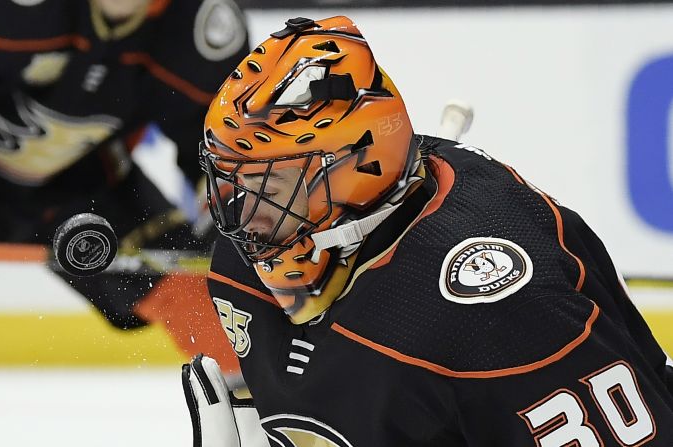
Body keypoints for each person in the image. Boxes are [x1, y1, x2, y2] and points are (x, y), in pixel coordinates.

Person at [182, 16, 673, 446]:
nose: (246, 215)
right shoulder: (243, 266)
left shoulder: (500, 316)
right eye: (235, 183)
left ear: (355, 171)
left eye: (273, 186)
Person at [0, 0, 247, 444]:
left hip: (83, 180)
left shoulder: (201, 29)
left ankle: (273, 422)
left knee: (208, 301)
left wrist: (238, 221)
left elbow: (227, 153)